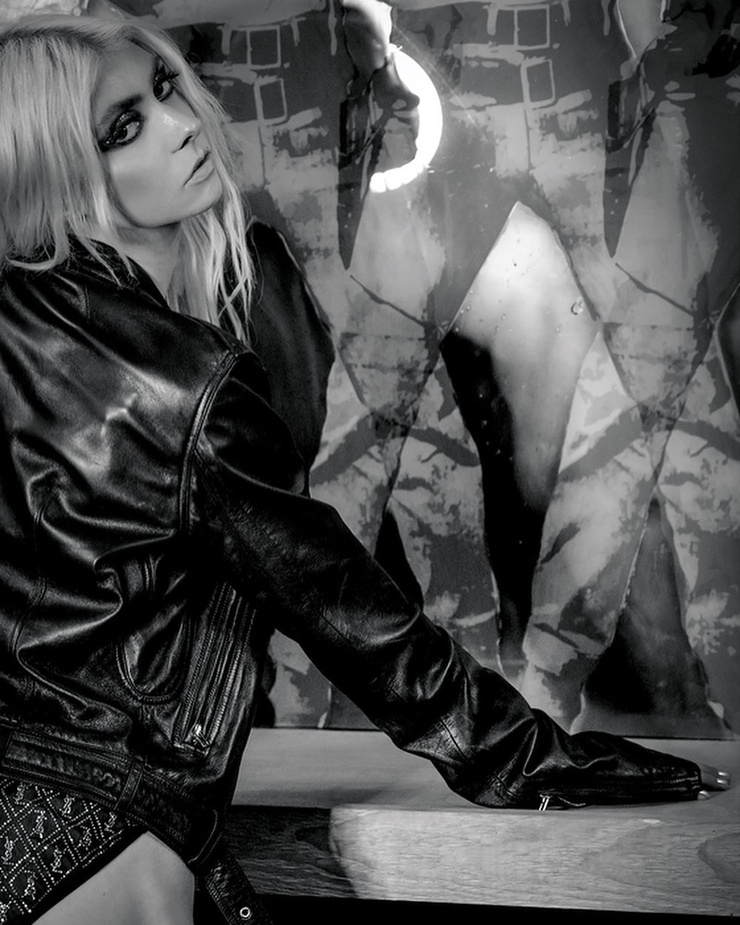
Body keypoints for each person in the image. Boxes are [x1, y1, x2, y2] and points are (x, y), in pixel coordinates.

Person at [0, 11, 730, 925]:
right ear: (52, 175)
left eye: (163, 89)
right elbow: (338, 602)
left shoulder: (39, 326)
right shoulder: (180, 385)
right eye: (122, 128)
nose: (182, 124)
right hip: (100, 853)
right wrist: (521, 752)